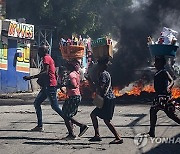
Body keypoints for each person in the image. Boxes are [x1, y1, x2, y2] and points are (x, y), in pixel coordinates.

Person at [23, 45, 65, 131]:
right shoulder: (49, 58)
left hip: (49, 85)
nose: (38, 53)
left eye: (39, 51)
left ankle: (71, 121)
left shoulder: (46, 58)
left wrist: (31, 77)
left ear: (43, 51)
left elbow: (46, 72)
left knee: (55, 107)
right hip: (47, 85)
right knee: (37, 103)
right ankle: (39, 125)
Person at [87, 57, 123, 144]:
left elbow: (101, 88)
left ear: (101, 65)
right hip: (107, 99)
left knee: (106, 120)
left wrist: (92, 82)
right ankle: (97, 135)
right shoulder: (103, 73)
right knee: (93, 114)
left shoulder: (103, 74)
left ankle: (118, 137)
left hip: (107, 99)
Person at [147, 56, 180, 137]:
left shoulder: (164, 72)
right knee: (155, 111)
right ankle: (151, 131)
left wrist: (169, 87)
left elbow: (171, 80)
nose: (154, 64)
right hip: (158, 96)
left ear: (161, 63)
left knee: (169, 114)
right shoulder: (158, 72)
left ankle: (152, 131)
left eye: (156, 62)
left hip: (163, 96)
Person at [62, 59, 89, 139]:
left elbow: (74, 85)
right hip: (75, 96)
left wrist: (62, 86)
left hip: (74, 96)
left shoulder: (72, 75)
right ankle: (71, 133)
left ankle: (81, 126)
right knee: (66, 114)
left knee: (66, 115)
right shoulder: (76, 73)